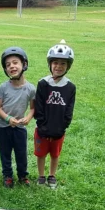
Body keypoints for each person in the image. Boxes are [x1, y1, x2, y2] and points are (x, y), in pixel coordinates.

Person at [34, 41, 76, 189]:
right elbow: (39, 107)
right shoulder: (43, 83)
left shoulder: (70, 87)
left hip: (59, 131)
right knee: (41, 154)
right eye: (55, 63)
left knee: (55, 154)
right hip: (42, 130)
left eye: (63, 63)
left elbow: (69, 110)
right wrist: (43, 128)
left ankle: (52, 175)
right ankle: (41, 175)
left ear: (68, 66)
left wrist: (61, 128)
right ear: (50, 64)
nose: (58, 66)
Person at [0, 47, 35, 188]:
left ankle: (23, 175)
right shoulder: (3, 87)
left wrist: (28, 118)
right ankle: (7, 175)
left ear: (24, 64)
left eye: (15, 62)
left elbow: (32, 108)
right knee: (5, 153)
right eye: (8, 65)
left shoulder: (30, 89)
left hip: (20, 128)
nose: (12, 66)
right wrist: (7, 119)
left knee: (21, 153)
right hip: (4, 127)